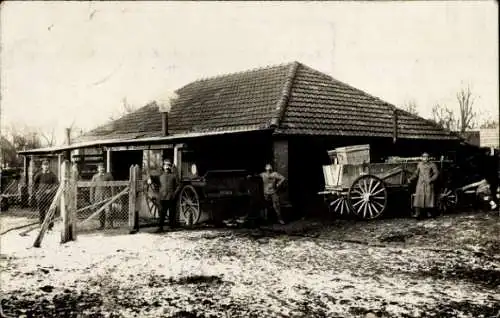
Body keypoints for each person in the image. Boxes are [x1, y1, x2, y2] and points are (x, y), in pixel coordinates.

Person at [409, 153, 439, 219]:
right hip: (420, 184)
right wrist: (410, 179)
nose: (425, 158)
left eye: (427, 157)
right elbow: (416, 174)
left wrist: (431, 180)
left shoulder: (432, 165)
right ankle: (417, 213)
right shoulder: (419, 164)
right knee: (419, 198)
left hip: (428, 184)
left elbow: (436, 173)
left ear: (429, 158)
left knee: (428, 198)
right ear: (422, 158)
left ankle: (429, 213)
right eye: (424, 157)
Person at [156, 159, 181, 233]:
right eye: (166, 165)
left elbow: (179, 185)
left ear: (171, 166)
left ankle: (171, 227)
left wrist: (174, 194)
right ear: (163, 166)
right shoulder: (160, 176)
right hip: (162, 197)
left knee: (171, 213)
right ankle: (160, 227)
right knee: (161, 213)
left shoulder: (174, 176)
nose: (167, 167)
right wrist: (148, 179)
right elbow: (152, 179)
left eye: (169, 165)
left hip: (171, 197)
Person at [33, 160, 58, 230]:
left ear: (48, 166)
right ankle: (41, 225)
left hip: (49, 196)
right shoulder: (39, 174)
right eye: (44, 165)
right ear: (42, 166)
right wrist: (36, 192)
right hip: (41, 196)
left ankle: (50, 226)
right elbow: (34, 184)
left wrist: (51, 190)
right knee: (41, 211)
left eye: (47, 165)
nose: (46, 166)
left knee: (50, 211)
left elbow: (57, 184)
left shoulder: (52, 175)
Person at [90, 163, 114, 229]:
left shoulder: (108, 175)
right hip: (98, 196)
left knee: (109, 211)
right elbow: (92, 188)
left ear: (104, 168)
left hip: (107, 196)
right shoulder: (95, 177)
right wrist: (91, 198)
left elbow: (112, 186)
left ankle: (110, 225)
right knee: (100, 211)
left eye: (102, 167)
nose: (101, 169)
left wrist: (113, 196)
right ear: (98, 169)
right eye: (100, 168)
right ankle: (101, 225)